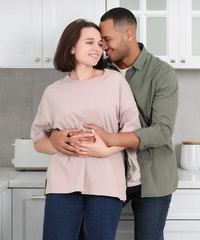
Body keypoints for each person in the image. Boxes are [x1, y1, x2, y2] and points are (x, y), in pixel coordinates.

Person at [49, 7, 179, 240]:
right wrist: (57, 136)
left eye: (106, 40)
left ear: (128, 34)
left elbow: (162, 131)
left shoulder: (161, 73)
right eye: (98, 41)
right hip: (107, 176)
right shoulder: (98, 69)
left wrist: (109, 139)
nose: (102, 47)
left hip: (152, 178)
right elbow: (70, 110)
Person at [31, 19, 141, 240]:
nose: (97, 49)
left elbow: (133, 131)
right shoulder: (54, 91)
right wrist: (56, 141)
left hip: (106, 183)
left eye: (100, 44)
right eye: (90, 42)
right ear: (72, 47)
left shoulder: (115, 82)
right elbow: (38, 140)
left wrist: (105, 150)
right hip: (62, 184)